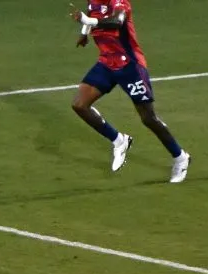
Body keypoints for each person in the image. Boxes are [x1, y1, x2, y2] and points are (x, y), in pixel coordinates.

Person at [69, 0, 191, 183]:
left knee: (148, 118)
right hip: (106, 62)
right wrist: (84, 33)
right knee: (80, 105)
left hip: (130, 66)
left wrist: (89, 21)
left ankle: (180, 157)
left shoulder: (120, 2)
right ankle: (119, 140)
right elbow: (91, 14)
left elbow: (117, 21)